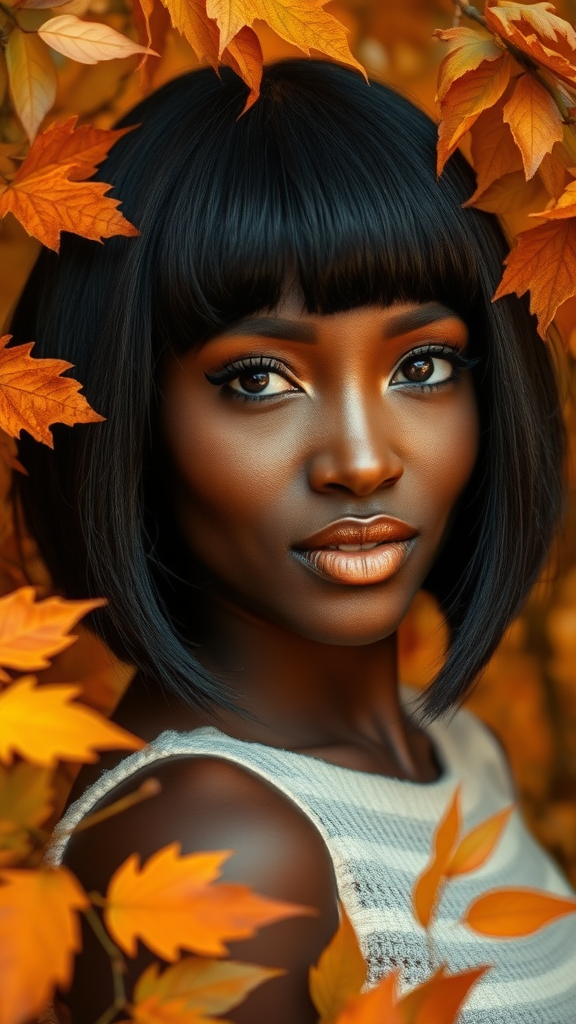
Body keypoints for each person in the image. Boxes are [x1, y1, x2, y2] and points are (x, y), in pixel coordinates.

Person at [10, 58, 576, 1023]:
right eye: (259, 380)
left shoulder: (453, 747)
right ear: (122, 406)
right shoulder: (220, 842)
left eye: (424, 364)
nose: (361, 461)